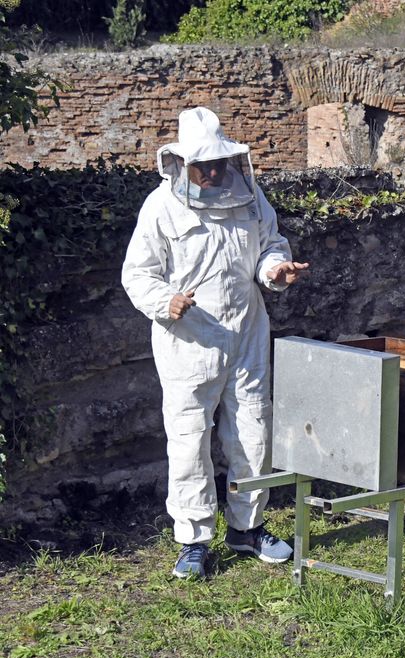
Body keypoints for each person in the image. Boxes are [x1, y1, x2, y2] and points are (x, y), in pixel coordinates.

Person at [122, 107, 309, 579]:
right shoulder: (160, 207)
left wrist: (275, 271)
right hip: (188, 342)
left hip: (247, 331)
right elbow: (137, 274)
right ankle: (193, 539)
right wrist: (167, 301)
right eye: (202, 165)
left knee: (252, 430)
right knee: (189, 440)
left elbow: (271, 245)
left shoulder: (249, 198)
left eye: (217, 164)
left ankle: (248, 528)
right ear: (182, 164)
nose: (211, 172)